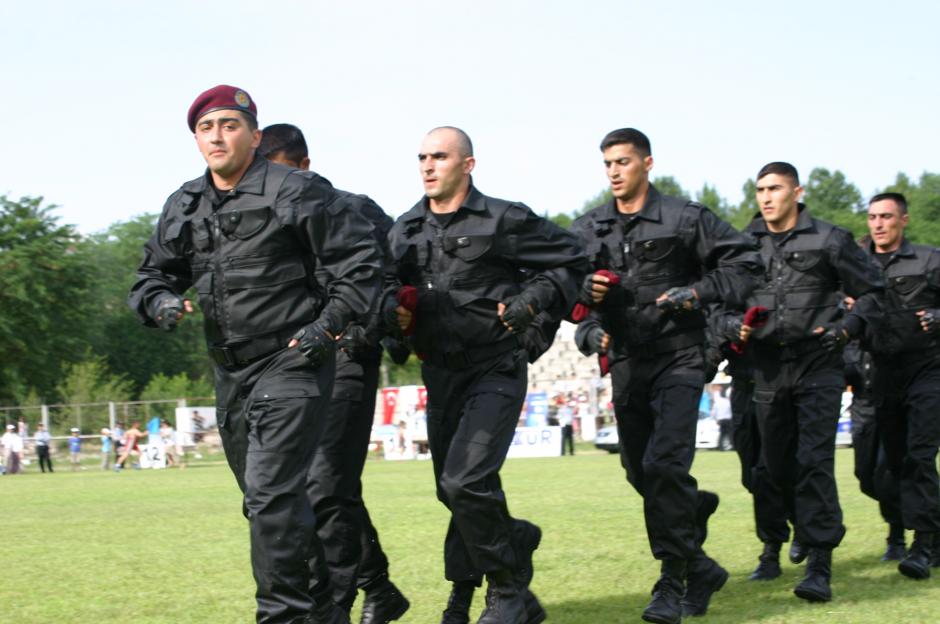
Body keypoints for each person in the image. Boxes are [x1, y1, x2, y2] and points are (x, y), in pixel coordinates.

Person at [128, 85, 382, 624]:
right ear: (196, 140)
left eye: (230, 125)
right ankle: (325, 610)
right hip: (230, 372)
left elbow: (360, 268)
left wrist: (325, 329)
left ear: (254, 136)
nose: (217, 136)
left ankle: (281, 616)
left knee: (271, 497)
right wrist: (162, 301)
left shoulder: (298, 191)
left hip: (293, 362)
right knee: (268, 505)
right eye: (206, 128)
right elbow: (151, 276)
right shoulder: (185, 203)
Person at [385, 126, 588, 624]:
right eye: (422, 157)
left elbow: (573, 259)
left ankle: (508, 592)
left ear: (468, 164)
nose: (428, 166)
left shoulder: (504, 218)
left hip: (495, 367)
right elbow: (388, 296)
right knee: (452, 490)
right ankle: (515, 539)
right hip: (440, 374)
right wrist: (397, 323)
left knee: (465, 481)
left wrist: (531, 301)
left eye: (439, 156)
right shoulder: (404, 229)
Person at [571, 128, 762, 623]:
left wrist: (697, 293)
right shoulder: (588, 228)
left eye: (623, 162)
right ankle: (699, 554)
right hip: (627, 364)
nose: (614, 172)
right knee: (640, 471)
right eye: (608, 163)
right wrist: (588, 321)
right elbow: (567, 291)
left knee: (663, 466)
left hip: (681, 356)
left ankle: (672, 581)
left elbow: (746, 262)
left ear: (647, 163)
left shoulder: (685, 217)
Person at [258, 123, 409, 623]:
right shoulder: (260, 218)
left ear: (304, 165)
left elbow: (391, 275)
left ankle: (334, 606)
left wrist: (370, 329)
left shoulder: (354, 208)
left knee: (325, 484)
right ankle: (377, 588)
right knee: (313, 487)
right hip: (291, 367)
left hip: (345, 356)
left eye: (281, 173)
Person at [728, 162, 883, 602]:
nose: (766, 197)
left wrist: (847, 329)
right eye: (760, 189)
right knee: (774, 468)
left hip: (819, 363)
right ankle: (797, 530)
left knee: (814, 461)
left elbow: (874, 291)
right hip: (765, 367)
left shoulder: (830, 238)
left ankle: (819, 565)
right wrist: (731, 326)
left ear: (797, 192)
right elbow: (722, 297)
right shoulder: (742, 244)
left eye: (775, 188)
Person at [864, 192, 940, 579]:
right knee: (890, 466)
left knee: (919, 456)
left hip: (928, 370)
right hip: (882, 374)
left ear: (903, 220)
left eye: (886, 217)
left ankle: (922, 546)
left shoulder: (929, 260)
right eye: (873, 217)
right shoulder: (856, 263)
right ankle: (924, 533)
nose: (878, 224)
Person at [843, 336, 904, 560]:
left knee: (886, 476)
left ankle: (897, 538)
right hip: (863, 406)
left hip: (893, 403)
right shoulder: (847, 337)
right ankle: (920, 510)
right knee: (865, 478)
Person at [711, 385, 732, 451]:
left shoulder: (717, 402)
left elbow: (713, 412)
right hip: (728, 419)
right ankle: (732, 446)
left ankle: (721, 447)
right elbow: (730, 411)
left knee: (722, 434)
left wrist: (715, 419)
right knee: (730, 433)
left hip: (721, 420)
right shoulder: (728, 402)